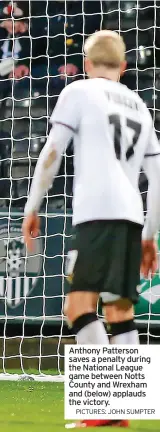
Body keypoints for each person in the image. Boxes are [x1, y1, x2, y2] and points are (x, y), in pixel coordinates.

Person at [22, 30, 160, 428]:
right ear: (124, 67)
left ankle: (103, 409)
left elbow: (51, 152)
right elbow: (157, 175)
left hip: (98, 213)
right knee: (119, 309)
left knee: (77, 307)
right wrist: (151, 234)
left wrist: (33, 205)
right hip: (133, 216)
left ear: (85, 64)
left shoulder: (79, 93)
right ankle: (120, 412)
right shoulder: (138, 103)